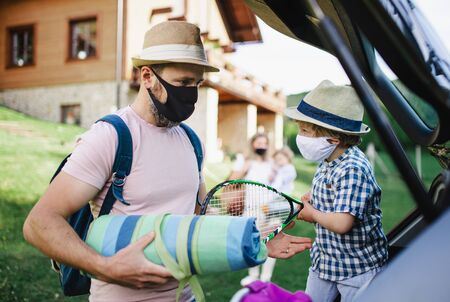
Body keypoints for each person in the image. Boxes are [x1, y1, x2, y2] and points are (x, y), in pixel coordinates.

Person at [23, 21, 312, 302]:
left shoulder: (190, 139)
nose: (191, 94)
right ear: (147, 76)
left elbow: (204, 216)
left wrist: (255, 238)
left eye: (196, 83)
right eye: (183, 82)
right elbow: (39, 223)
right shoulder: (111, 137)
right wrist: (105, 267)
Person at [285, 80, 388, 302]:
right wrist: (314, 200)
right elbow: (335, 195)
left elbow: (342, 223)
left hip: (357, 269)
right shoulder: (328, 159)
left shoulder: (352, 168)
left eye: (304, 130)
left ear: (332, 138)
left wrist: (312, 214)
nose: (299, 136)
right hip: (326, 262)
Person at [228, 133, 279, 286]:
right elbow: (231, 182)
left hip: (272, 209)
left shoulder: (274, 164)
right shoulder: (247, 162)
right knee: (253, 243)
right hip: (252, 210)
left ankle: (266, 277)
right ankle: (253, 275)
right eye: (259, 143)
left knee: (271, 243)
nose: (262, 145)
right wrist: (242, 167)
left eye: (265, 143)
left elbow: (284, 183)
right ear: (253, 145)